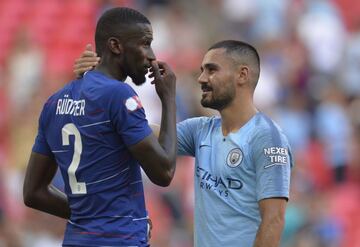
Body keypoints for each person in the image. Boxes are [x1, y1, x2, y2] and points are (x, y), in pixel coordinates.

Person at [75, 40, 293, 247]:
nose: (201, 78)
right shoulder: (201, 130)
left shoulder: (266, 137)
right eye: (202, 70)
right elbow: (137, 132)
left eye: (212, 70)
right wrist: (94, 85)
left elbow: (273, 220)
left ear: (242, 75)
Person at [23, 7, 177, 247]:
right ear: (115, 46)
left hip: (76, 240)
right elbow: (164, 172)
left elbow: (33, 193)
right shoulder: (118, 95)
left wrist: (90, 216)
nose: (151, 55)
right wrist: (168, 99)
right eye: (145, 44)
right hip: (120, 240)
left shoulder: (54, 103)